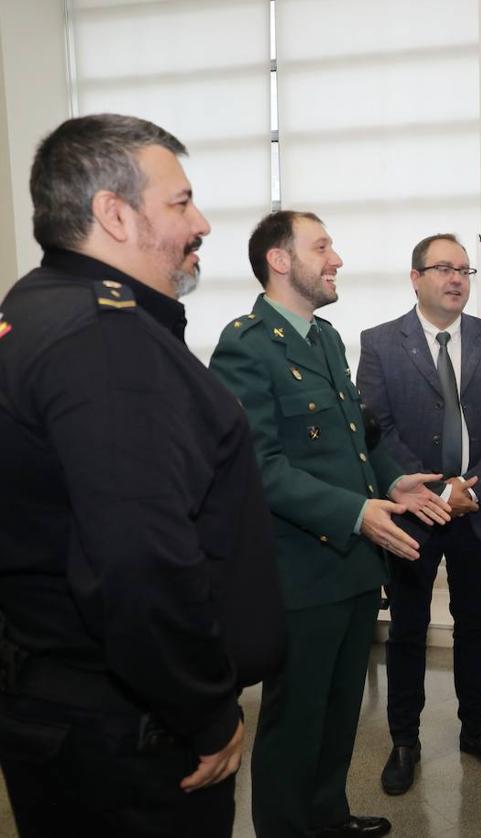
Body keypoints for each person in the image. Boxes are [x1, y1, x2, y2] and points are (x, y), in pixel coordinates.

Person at [0, 113, 284, 836]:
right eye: (181, 202)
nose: (203, 223)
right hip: (127, 736)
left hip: (58, 708)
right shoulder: (104, 340)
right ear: (114, 214)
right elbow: (137, 561)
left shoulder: (34, 311)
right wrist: (208, 714)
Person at [209, 211, 450, 838]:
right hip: (299, 569)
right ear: (281, 261)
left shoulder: (324, 338)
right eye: (322, 247)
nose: (336, 258)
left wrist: (392, 479)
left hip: (352, 564)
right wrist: (354, 512)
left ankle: (328, 816)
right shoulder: (247, 344)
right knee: (297, 717)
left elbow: (352, 440)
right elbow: (257, 467)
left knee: (341, 709)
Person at [357, 233, 481, 795]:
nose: (456, 279)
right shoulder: (381, 343)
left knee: (476, 627)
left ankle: (475, 730)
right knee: (407, 629)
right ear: (415, 278)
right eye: (442, 268)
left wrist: (473, 482)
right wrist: (433, 489)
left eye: (463, 270)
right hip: (412, 515)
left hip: (477, 511)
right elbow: (374, 428)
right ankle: (404, 740)